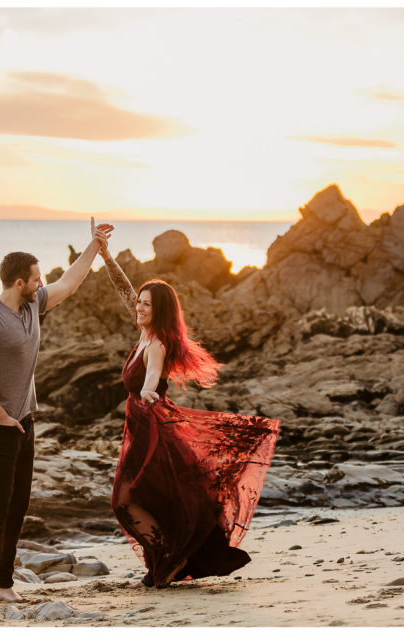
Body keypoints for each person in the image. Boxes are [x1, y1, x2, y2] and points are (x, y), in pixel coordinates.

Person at [98, 240, 281, 589]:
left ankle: (169, 557)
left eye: (146, 304)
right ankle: (163, 561)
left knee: (124, 500)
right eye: (139, 301)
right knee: (146, 498)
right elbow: (124, 289)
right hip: (140, 424)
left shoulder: (157, 344)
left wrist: (149, 392)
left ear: (159, 310)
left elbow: (151, 379)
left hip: (151, 425)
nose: (138, 307)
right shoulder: (145, 332)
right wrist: (106, 254)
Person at [0, 219, 113, 612]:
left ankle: (6, 583)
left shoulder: (33, 305)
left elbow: (70, 283)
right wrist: (0, 416)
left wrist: (94, 246)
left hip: (25, 420)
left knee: (19, 503)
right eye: (35, 278)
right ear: (18, 283)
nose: (41, 283)